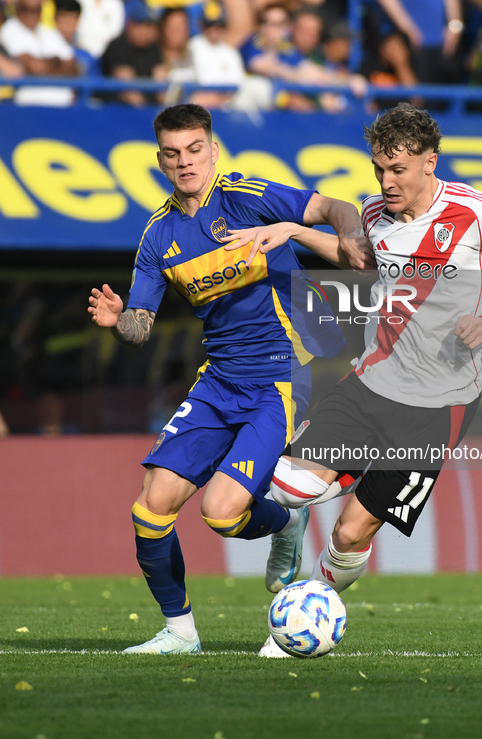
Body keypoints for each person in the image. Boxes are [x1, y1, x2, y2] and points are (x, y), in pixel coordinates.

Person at [224, 102, 482, 657]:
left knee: (349, 535)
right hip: (370, 383)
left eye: (397, 169)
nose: (385, 181)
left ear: (430, 162)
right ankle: (293, 537)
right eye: (378, 168)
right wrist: (290, 230)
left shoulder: (475, 215)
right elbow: (354, 255)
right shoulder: (376, 215)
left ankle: (311, 608)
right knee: (286, 486)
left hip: (439, 405)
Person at [87, 103, 371, 656]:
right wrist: (117, 323)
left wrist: (354, 236)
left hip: (280, 378)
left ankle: (283, 521)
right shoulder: (158, 237)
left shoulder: (246, 196)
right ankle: (179, 632)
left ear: (213, 150)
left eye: (195, 149)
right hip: (218, 382)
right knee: (150, 506)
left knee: (220, 514)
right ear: (161, 161)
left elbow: (334, 206)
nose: (186, 162)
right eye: (173, 154)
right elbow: (139, 327)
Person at [0, 0, 79, 106]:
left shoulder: (49, 32)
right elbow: (33, 67)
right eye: (26, 9)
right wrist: (57, 62)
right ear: (17, 9)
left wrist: (43, 66)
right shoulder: (10, 29)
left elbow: (74, 68)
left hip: (64, 106)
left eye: (37, 9)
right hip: (30, 107)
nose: (31, 14)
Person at [101, 0, 166, 107]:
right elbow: (127, 90)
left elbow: (161, 86)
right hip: (117, 109)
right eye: (142, 25)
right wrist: (148, 115)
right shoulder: (118, 46)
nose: (146, 31)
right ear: (130, 25)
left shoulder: (153, 48)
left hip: (148, 109)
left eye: (150, 25)